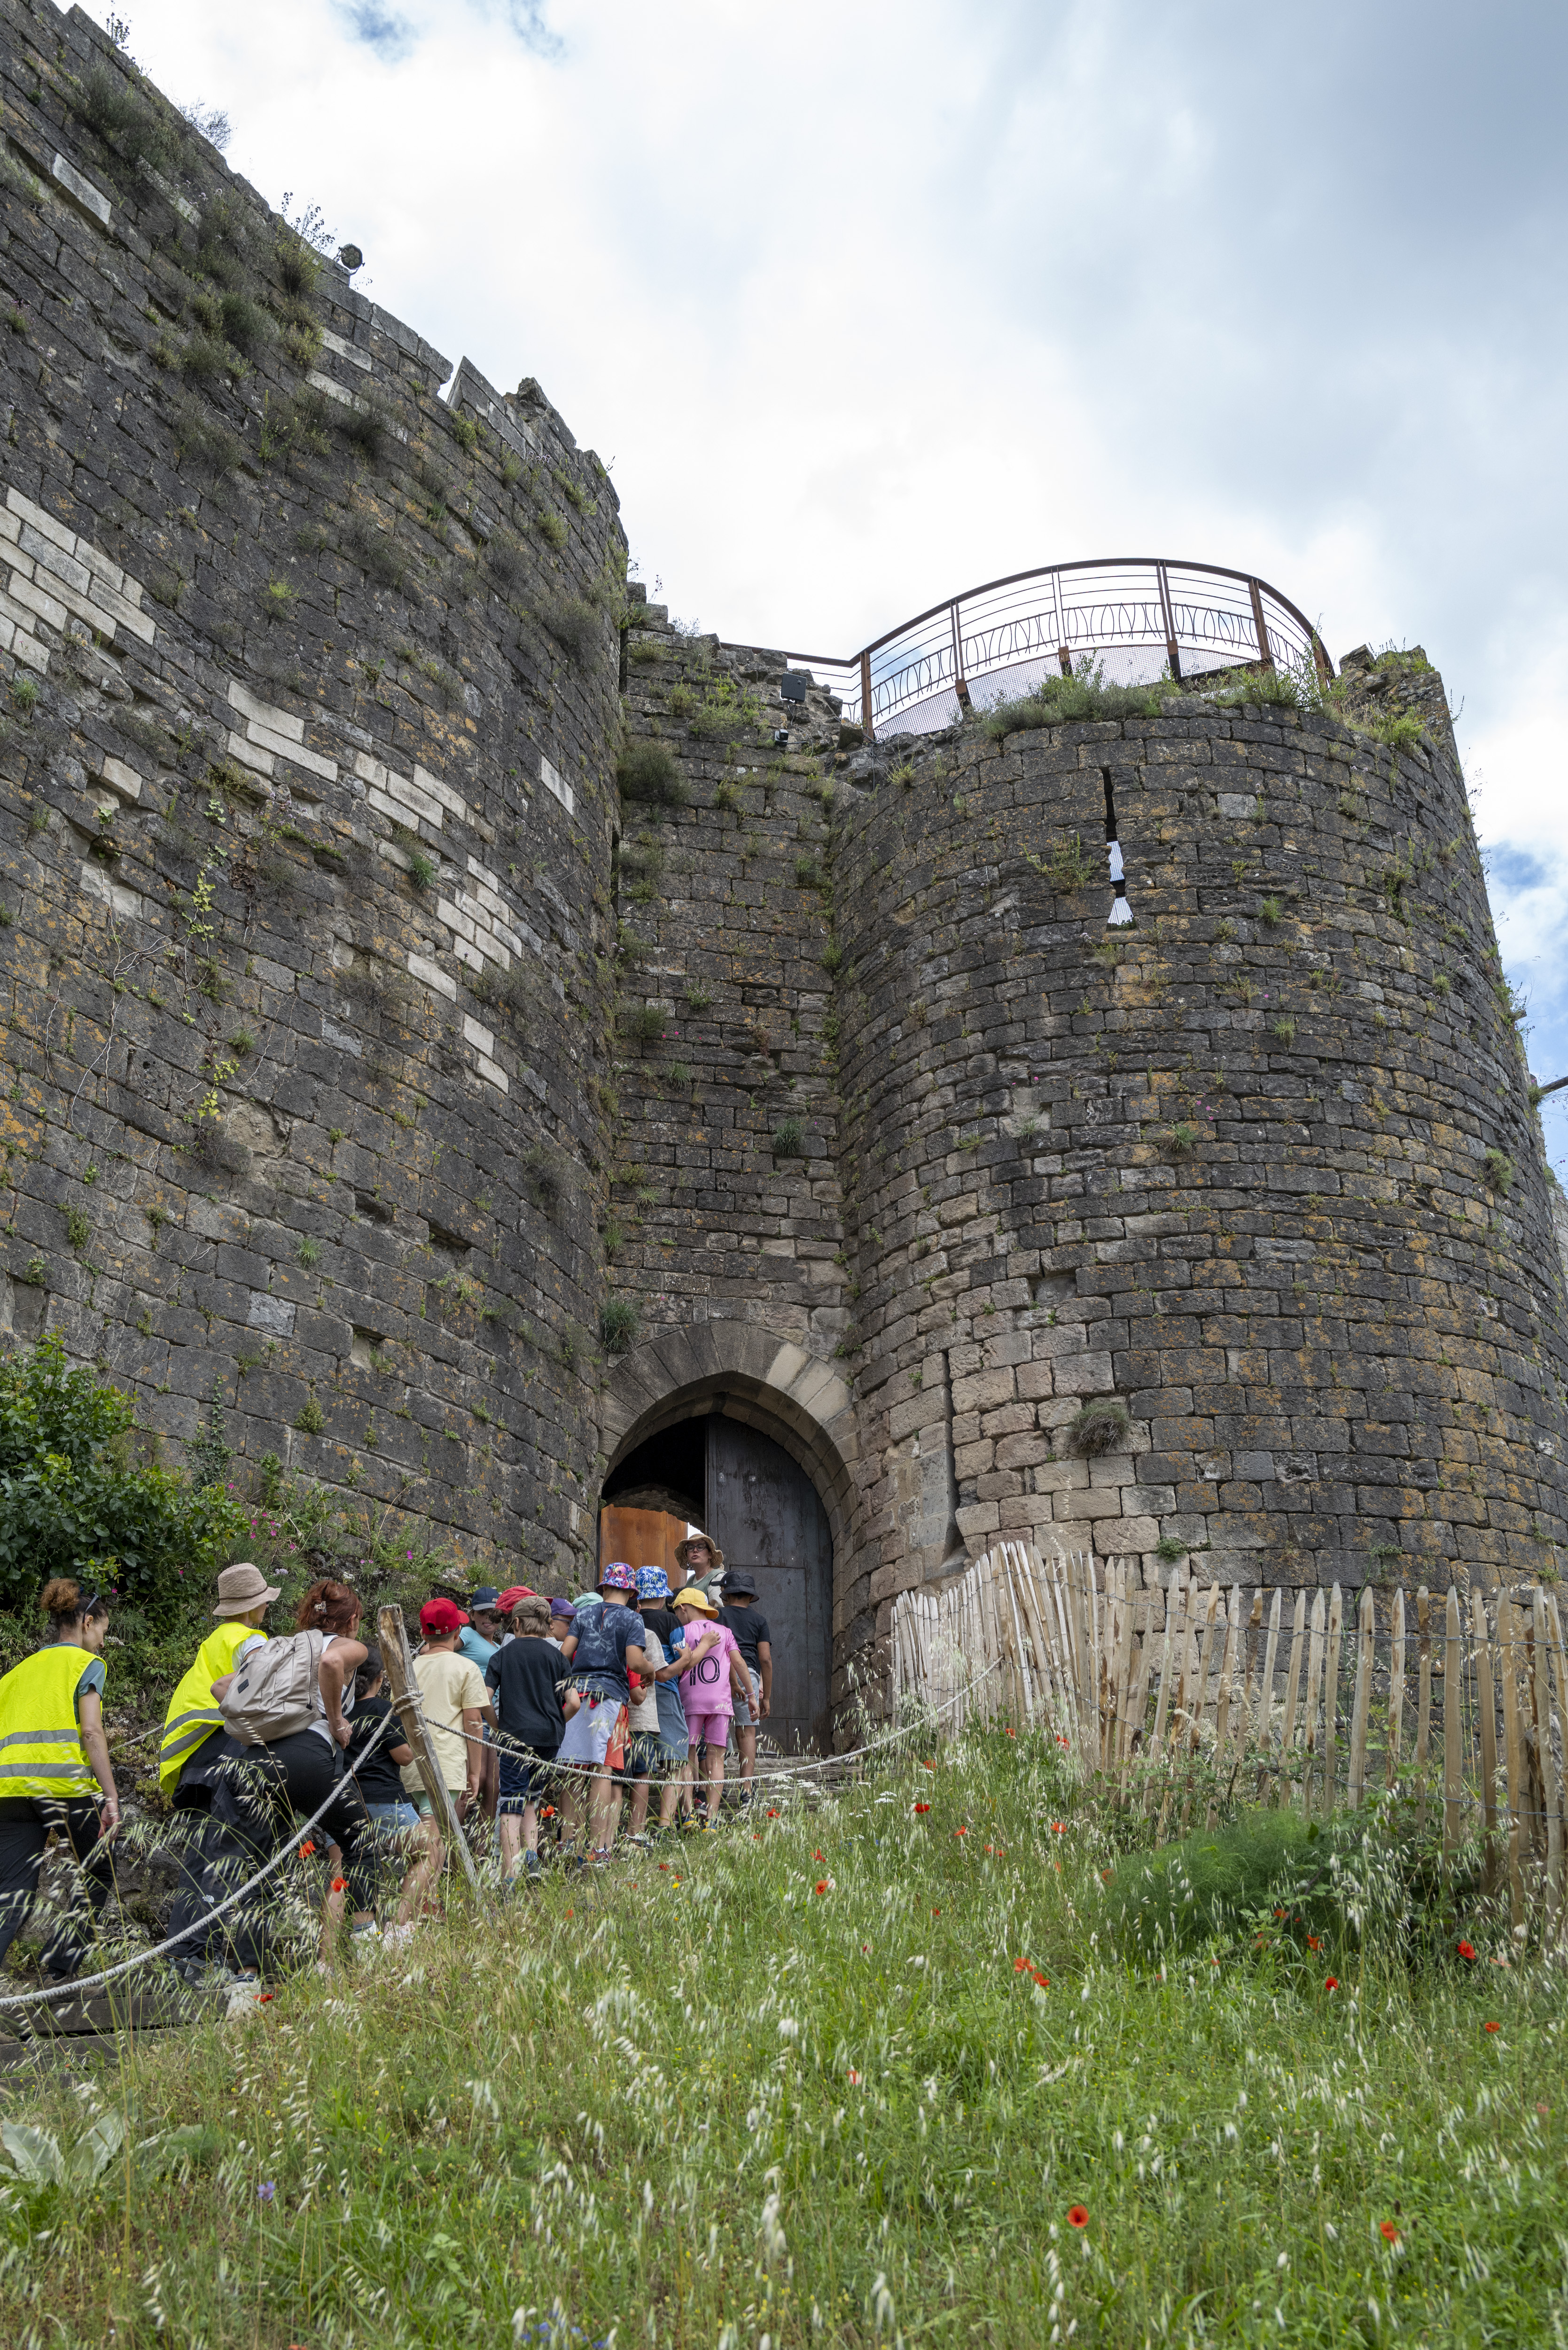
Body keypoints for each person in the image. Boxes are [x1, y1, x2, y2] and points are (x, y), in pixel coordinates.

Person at [180, 1579, 374, 1989]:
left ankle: (246, 1980)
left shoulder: (277, 1648)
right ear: (353, 1619)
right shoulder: (346, 1646)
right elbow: (331, 1664)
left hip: (252, 1762)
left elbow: (221, 1688)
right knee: (359, 1840)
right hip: (306, 1755)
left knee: (256, 1867)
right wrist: (337, 1719)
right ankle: (368, 1944)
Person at [0, 1579, 120, 1982]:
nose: (102, 1642)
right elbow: (91, 1732)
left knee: (12, 1893)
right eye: (102, 1631)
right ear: (87, 1623)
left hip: (10, 1792)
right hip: (64, 1787)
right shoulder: (87, 1665)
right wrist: (111, 1798)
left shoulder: (16, 1673)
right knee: (98, 1871)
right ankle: (58, 1972)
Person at [157, 1562, 276, 1949]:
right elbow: (264, 1686)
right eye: (264, 1600)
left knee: (196, 1858)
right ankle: (202, 1951)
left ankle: (182, 1952)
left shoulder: (213, 1642)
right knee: (223, 1851)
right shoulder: (250, 1639)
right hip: (225, 1750)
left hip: (192, 1761)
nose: (267, 1607)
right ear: (252, 1605)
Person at [396, 1598, 492, 1920]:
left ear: (424, 1634)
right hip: (446, 1764)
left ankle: (428, 1907)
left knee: (432, 1841)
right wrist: (475, 1771)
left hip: (410, 1764)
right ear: (458, 1632)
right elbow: (473, 1722)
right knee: (432, 1845)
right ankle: (402, 1921)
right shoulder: (465, 1667)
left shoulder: (409, 1667)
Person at [556, 1562, 650, 1861]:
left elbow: (564, 1655)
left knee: (573, 1768)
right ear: (632, 1592)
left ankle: (567, 1844)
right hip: (610, 1698)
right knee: (603, 1770)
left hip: (577, 1694)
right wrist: (650, 1670)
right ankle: (598, 1849)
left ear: (604, 1587)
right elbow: (634, 1662)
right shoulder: (633, 1619)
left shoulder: (583, 1615)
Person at [334, 1648, 427, 1943]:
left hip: (343, 1801)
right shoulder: (382, 1709)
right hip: (384, 1799)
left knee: (341, 1875)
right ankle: (398, 1928)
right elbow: (404, 1757)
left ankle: (327, 1956)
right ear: (380, 1678)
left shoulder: (337, 1711)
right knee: (429, 1852)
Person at [485, 1595, 579, 1886]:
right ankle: (531, 1858)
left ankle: (510, 1877)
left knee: (511, 1802)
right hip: (549, 1739)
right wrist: (556, 1726)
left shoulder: (503, 1655)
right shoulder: (558, 1657)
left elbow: (484, 1699)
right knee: (532, 1798)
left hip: (514, 1737)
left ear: (516, 1623)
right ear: (547, 1625)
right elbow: (574, 1703)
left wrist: (497, 1728)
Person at [656, 1584, 749, 1827]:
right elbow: (739, 1662)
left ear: (684, 1608)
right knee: (716, 1759)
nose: (676, 1616)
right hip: (720, 1702)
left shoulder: (681, 1631)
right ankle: (712, 1819)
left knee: (688, 1756)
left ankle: (688, 1813)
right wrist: (751, 1694)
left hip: (690, 1702)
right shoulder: (724, 1631)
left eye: (676, 1611)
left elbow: (681, 1664)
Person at [635, 1566, 692, 1831]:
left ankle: (637, 1826)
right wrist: (690, 1656)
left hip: (637, 1693)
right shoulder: (670, 1621)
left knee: (642, 1763)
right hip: (665, 1692)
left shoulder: (633, 1619)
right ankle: (666, 1824)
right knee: (676, 1757)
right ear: (662, 1598)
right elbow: (682, 1656)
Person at [719, 1569, 773, 1803]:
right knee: (747, 1732)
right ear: (751, 1597)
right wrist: (766, 1697)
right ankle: (747, 1789)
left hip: (720, 1673)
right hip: (748, 1675)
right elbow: (765, 1660)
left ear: (726, 1594)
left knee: (717, 1730)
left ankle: (714, 1786)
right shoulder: (760, 1621)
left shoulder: (718, 1615)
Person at [673, 1533, 725, 1602]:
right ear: (687, 1556)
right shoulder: (691, 1580)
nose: (695, 1550)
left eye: (701, 1547)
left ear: (710, 1554)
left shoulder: (717, 1578)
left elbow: (720, 1608)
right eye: (690, 1548)